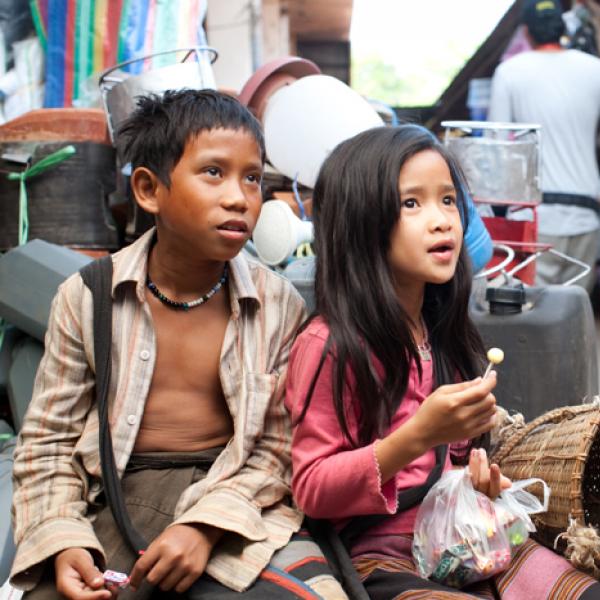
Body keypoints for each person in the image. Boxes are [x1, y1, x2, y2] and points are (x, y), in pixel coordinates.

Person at [10, 89, 345, 599]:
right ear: (148, 189)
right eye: (213, 172)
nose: (239, 197)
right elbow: (48, 443)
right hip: (116, 498)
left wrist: (203, 527)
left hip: (236, 499)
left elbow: (279, 449)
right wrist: (63, 539)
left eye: (252, 178)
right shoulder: (87, 297)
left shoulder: (277, 305)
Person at [285, 124, 600, 599]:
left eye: (448, 200)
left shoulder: (438, 331)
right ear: (361, 223)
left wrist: (473, 475)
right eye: (412, 203)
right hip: (381, 551)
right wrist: (418, 436)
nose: (442, 221)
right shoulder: (331, 344)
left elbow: (449, 461)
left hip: (465, 534)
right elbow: (311, 488)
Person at [488, 0, 600, 291]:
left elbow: (497, 147)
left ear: (526, 32)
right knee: (575, 313)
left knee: (536, 317)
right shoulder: (595, 69)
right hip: (589, 213)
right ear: (562, 27)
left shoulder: (510, 71)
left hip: (536, 214)